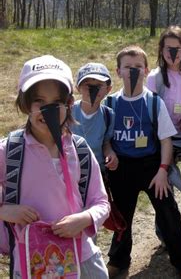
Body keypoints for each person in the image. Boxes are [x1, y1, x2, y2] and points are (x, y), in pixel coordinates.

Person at [0, 55, 110, 277]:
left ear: (69, 104)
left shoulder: (79, 150)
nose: (46, 110)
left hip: (81, 256)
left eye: (55, 103)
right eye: (39, 101)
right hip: (32, 260)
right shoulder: (9, 151)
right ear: (25, 104)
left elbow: (101, 202)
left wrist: (84, 219)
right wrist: (5, 210)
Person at [105, 46, 181, 278]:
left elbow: (166, 141)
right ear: (118, 71)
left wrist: (163, 170)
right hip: (122, 168)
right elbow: (104, 139)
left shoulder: (153, 102)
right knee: (122, 217)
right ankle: (118, 259)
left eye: (138, 67)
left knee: (169, 214)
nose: (132, 71)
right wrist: (110, 153)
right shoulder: (110, 103)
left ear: (146, 71)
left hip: (152, 166)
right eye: (127, 67)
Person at [146, 26, 181, 252]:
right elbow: (149, 112)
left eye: (177, 49)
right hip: (164, 142)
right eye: (167, 49)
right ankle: (166, 233)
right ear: (161, 50)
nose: (172, 54)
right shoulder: (155, 78)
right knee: (164, 189)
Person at [71, 62, 118, 173]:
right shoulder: (68, 112)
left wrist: (110, 154)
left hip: (97, 171)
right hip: (71, 171)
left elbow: (105, 143)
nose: (93, 90)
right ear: (78, 88)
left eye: (98, 86)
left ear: (108, 89)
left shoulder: (108, 115)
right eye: (88, 86)